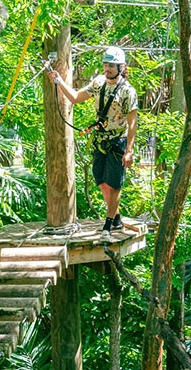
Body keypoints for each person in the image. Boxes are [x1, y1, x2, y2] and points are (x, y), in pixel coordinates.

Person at [47, 46, 138, 241]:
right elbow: (76, 97)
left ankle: (107, 225)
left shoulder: (128, 92)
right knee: (101, 180)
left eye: (112, 65)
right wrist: (59, 81)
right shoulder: (98, 83)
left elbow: (132, 124)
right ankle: (116, 218)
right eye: (105, 65)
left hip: (117, 141)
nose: (108, 69)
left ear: (121, 67)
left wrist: (129, 151)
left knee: (115, 184)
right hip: (101, 139)